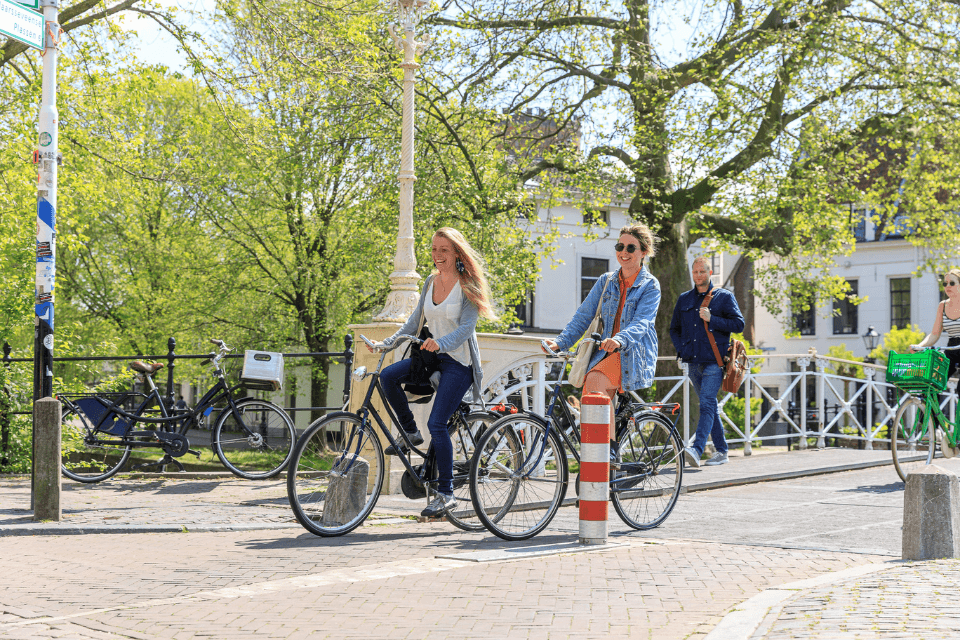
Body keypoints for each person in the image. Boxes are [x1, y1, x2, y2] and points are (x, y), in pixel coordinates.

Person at [372, 227, 494, 518]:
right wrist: (386, 344)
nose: (438, 255)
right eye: (434, 249)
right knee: (387, 376)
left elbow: (466, 329)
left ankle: (446, 493)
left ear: (456, 253)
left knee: (438, 425)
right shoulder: (430, 282)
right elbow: (414, 323)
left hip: (457, 363)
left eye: (444, 250)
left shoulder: (468, 284)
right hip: (431, 358)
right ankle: (410, 432)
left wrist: (440, 342)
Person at [543, 223, 661, 442]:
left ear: (644, 252)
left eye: (631, 248)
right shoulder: (605, 281)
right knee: (594, 402)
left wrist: (619, 339)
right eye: (620, 246)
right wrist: (561, 342)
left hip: (631, 353)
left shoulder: (650, 286)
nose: (623, 252)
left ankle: (604, 454)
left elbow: (642, 322)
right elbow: (583, 316)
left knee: (594, 383)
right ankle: (606, 457)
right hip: (603, 353)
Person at [670, 256, 745, 468]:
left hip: (715, 361)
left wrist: (713, 319)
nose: (698, 276)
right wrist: (681, 349)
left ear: (710, 273)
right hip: (693, 361)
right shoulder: (684, 299)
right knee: (709, 404)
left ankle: (696, 448)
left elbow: (739, 324)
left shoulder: (724, 297)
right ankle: (722, 451)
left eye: (702, 272)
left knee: (705, 403)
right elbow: (673, 329)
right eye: (695, 272)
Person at [910, 268, 960, 378]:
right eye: (945, 284)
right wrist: (919, 346)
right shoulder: (942, 306)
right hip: (951, 347)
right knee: (934, 379)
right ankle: (928, 395)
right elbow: (935, 334)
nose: (948, 286)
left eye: (952, 283)